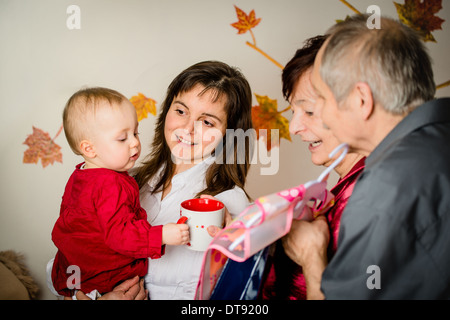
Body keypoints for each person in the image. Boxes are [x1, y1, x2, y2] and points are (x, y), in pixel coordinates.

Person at [294, 14, 450, 299]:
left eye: (323, 102)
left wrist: (311, 255)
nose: (324, 116)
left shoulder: (383, 190)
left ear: (361, 101)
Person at [50, 87, 189, 299]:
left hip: (74, 272)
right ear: (89, 149)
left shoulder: (81, 174)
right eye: (122, 138)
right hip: (105, 278)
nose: (135, 142)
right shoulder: (110, 184)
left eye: (135, 133)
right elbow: (120, 235)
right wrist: (161, 235)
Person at [132, 60, 254, 299]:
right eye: (180, 111)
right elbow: (70, 255)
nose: (187, 129)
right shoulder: (128, 181)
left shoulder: (228, 204)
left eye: (207, 122)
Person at [260, 36, 365, 300]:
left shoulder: (368, 199)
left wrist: (311, 257)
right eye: (294, 112)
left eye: (308, 112)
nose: (294, 127)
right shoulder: (346, 188)